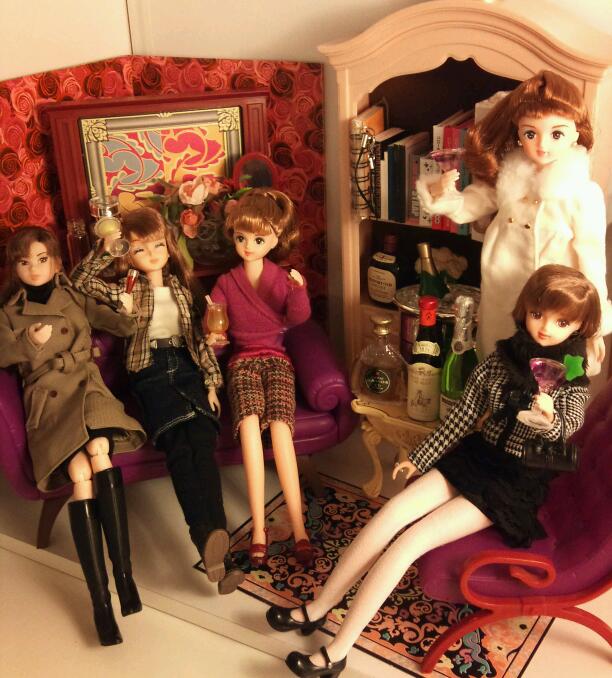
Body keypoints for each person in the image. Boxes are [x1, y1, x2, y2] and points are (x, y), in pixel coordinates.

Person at [268, 264, 600, 678]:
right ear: (525, 310)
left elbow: (568, 426)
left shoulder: (571, 376)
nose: (546, 327)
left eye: (562, 322)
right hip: (477, 457)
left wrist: (548, 419)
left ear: (580, 326)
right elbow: (463, 415)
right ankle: (319, 607)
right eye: (538, 314)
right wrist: (421, 456)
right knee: (390, 514)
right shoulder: (502, 359)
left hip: (512, 481)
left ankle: (338, 650)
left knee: (410, 542)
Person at [71, 207, 244, 595]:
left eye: (157, 245)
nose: (151, 253)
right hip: (150, 371)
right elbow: (79, 281)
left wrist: (212, 383)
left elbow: (199, 341)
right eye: (139, 248)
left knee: (202, 446)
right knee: (180, 449)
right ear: (128, 255)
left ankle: (217, 549)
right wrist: (106, 248)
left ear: (168, 246)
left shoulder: (183, 290)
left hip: (187, 367)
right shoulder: (127, 290)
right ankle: (208, 540)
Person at [0, 226, 146, 646]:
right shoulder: (9, 312)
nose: (34, 268)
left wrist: (128, 310)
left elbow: (120, 325)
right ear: (14, 268)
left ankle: (124, 575)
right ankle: (102, 601)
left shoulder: (73, 296)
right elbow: (3, 352)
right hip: (48, 403)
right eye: (25, 262)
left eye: (42, 259)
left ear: (56, 262)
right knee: (82, 473)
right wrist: (29, 343)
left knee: (99, 448)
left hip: (87, 389)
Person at [417, 70, 612, 370]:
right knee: (496, 365)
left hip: (552, 310)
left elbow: (592, 261)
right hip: (502, 294)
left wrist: (594, 324)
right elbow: (472, 204)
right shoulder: (510, 177)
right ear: (518, 134)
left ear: (576, 133)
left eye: (556, 134)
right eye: (530, 133)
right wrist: (445, 194)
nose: (542, 145)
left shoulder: (582, 194)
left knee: (546, 377)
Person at [208, 188, 313, 567]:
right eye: (241, 238)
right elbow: (218, 335)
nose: (248, 247)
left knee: (282, 427)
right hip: (242, 362)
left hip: (277, 360)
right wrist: (214, 338)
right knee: (250, 425)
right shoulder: (226, 283)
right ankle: (257, 529)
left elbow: (298, 319)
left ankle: (299, 528)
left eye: (258, 239)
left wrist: (299, 291)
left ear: (275, 238)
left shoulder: (282, 278)